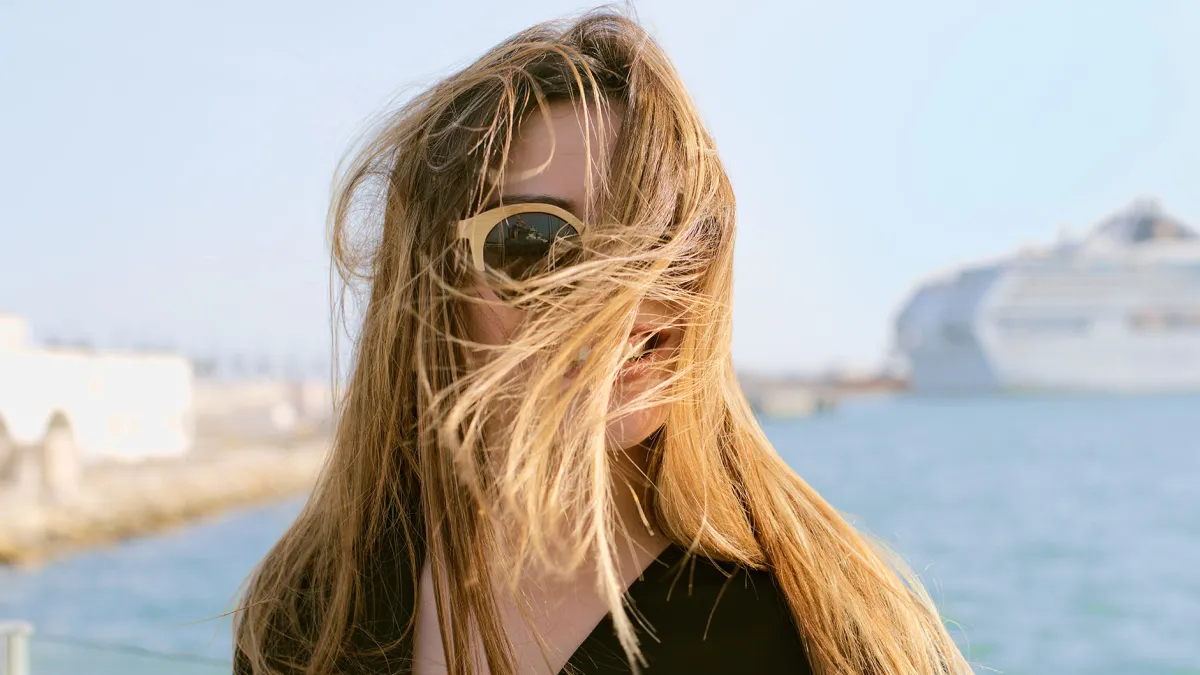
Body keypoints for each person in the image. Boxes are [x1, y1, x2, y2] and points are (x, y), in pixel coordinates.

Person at [234, 8, 973, 675]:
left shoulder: (816, 633)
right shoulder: (309, 616)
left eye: (671, 245)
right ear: (429, 286)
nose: (625, 300)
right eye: (533, 241)